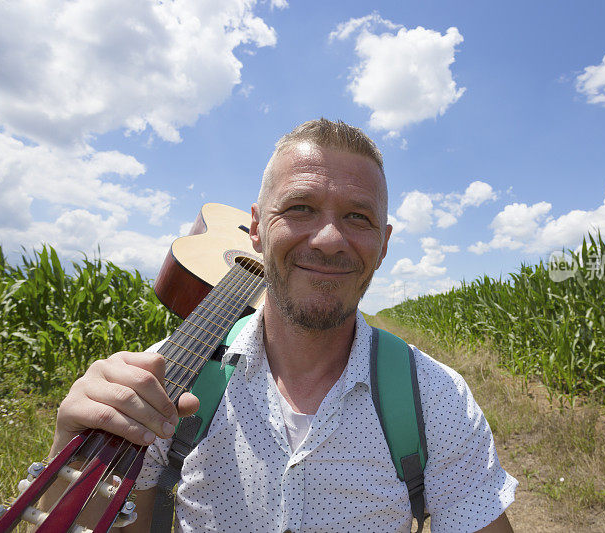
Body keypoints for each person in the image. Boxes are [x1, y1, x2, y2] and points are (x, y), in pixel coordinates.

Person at [49, 119, 517, 532]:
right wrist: (73, 457)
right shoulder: (167, 377)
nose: (330, 239)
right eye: (299, 208)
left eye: (358, 216)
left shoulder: (435, 398)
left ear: (384, 243)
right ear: (255, 228)